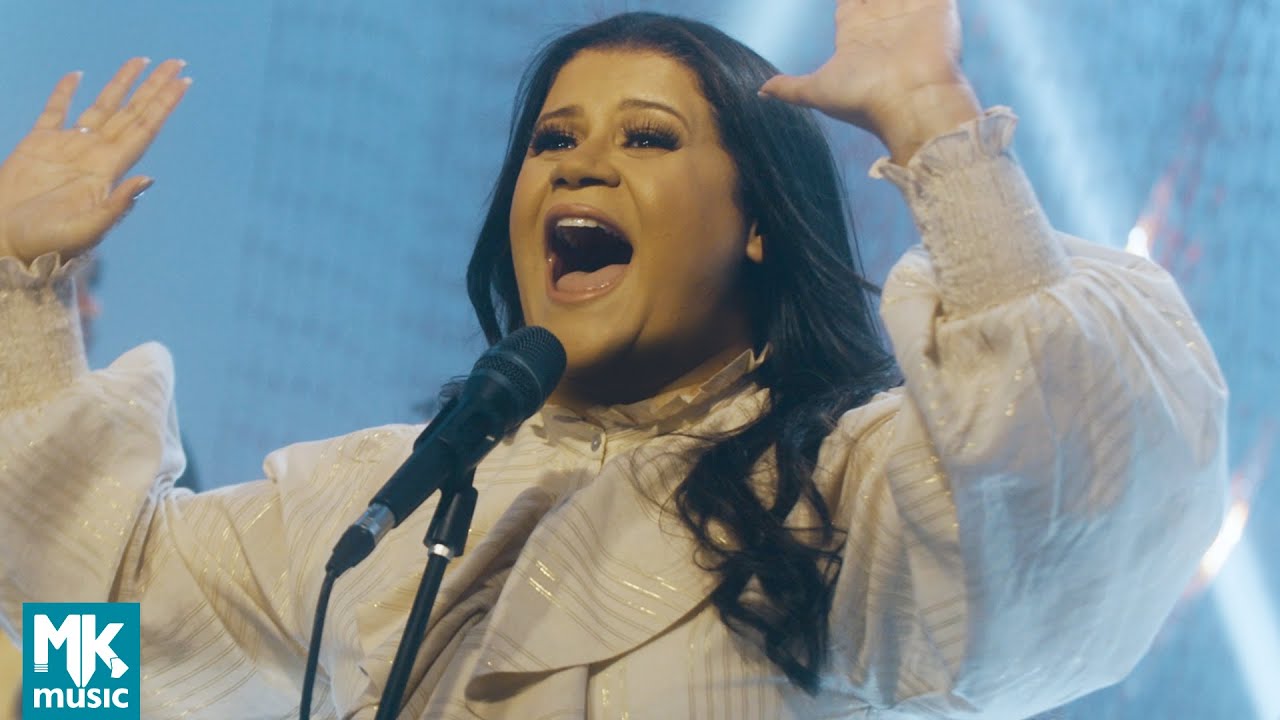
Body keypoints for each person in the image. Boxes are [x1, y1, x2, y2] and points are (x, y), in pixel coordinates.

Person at [0, 3, 1227, 719]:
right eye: (551, 140)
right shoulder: (382, 502)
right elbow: (92, 640)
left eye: (647, 137)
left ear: (757, 222)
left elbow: (1071, 512)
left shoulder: (847, 494)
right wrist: (18, 278)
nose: (579, 165)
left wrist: (933, 125)